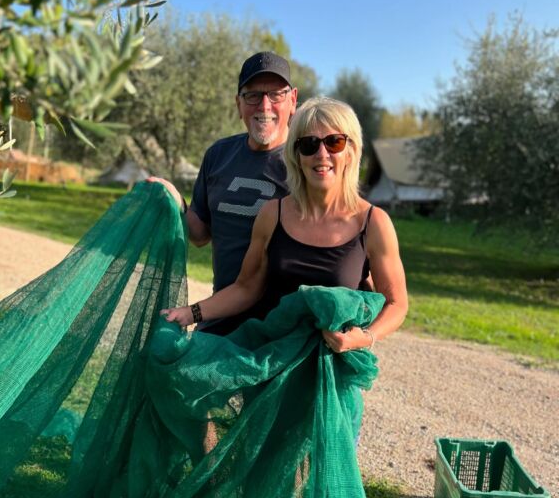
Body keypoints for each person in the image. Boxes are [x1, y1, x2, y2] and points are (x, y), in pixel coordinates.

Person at [162, 96, 408, 352]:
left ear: (351, 152)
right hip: (271, 359)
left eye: (335, 142)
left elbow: (396, 303)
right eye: (309, 144)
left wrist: (365, 337)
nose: (321, 154)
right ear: (296, 155)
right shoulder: (273, 214)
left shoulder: (373, 222)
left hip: (330, 371)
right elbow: (246, 288)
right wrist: (190, 313)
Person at [149, 51, 298, 334]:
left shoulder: (309, 161)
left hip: (282, 332)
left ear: (293, 100)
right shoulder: (219, 155)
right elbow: (200, 235)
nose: (264, 106)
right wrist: (174, 199)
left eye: (276, 95)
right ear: (238, 103)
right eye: (252, 95)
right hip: (220, 320)